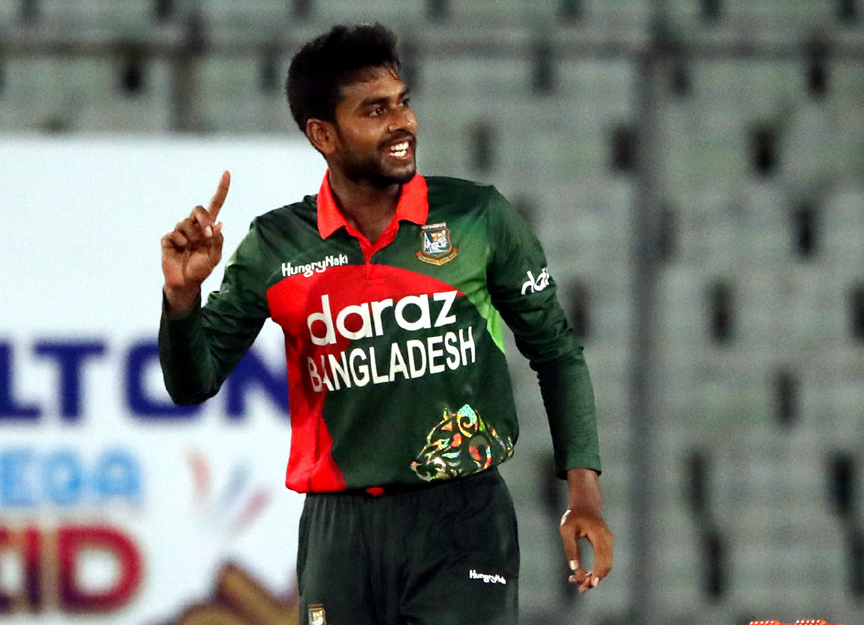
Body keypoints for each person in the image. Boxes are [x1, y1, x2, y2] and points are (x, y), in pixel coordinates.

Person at [158, 23, 611, 625]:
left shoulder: (477, 217)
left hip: (462, 518)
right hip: (337, 532)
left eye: (403, 102)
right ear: (322, 134)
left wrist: (584, 493)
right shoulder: (274, 245)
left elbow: (555, 352)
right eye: (376, 111)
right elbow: (192, 383)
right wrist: (182, 298)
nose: (403, 123)